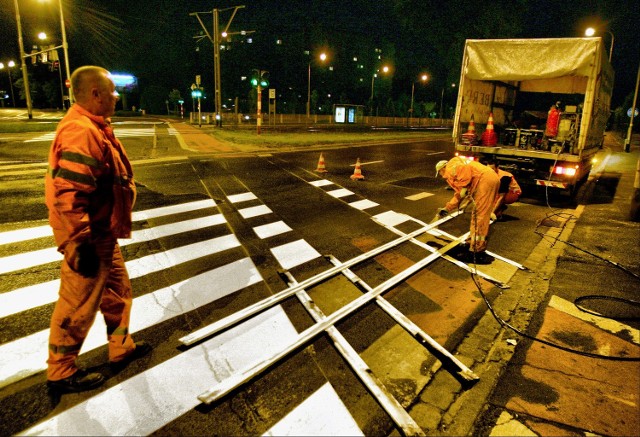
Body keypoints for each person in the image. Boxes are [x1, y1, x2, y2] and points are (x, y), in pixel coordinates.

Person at [45, 66, 151, 393]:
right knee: (77, 304)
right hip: (88, 239)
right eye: (112, 91)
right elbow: (68, 195)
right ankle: (61, 372)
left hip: (103, 233)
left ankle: (121, 347)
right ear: (95, 94)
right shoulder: (82, 131)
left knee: (117, 291)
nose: (117, 96)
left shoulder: (94, 126)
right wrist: (78, 242)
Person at [435, 157, 500, 264]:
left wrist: (465, 187)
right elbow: (458, 195)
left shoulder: (451, 166)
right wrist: (447, 208)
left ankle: (477, 251)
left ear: (442, 169)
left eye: (440, 173)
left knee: (479, 216)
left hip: (485, 181)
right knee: (477, 215)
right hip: (486, 180)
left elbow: (463, 171)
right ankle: (472, 242)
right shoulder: (457, 173)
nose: (442, 176)